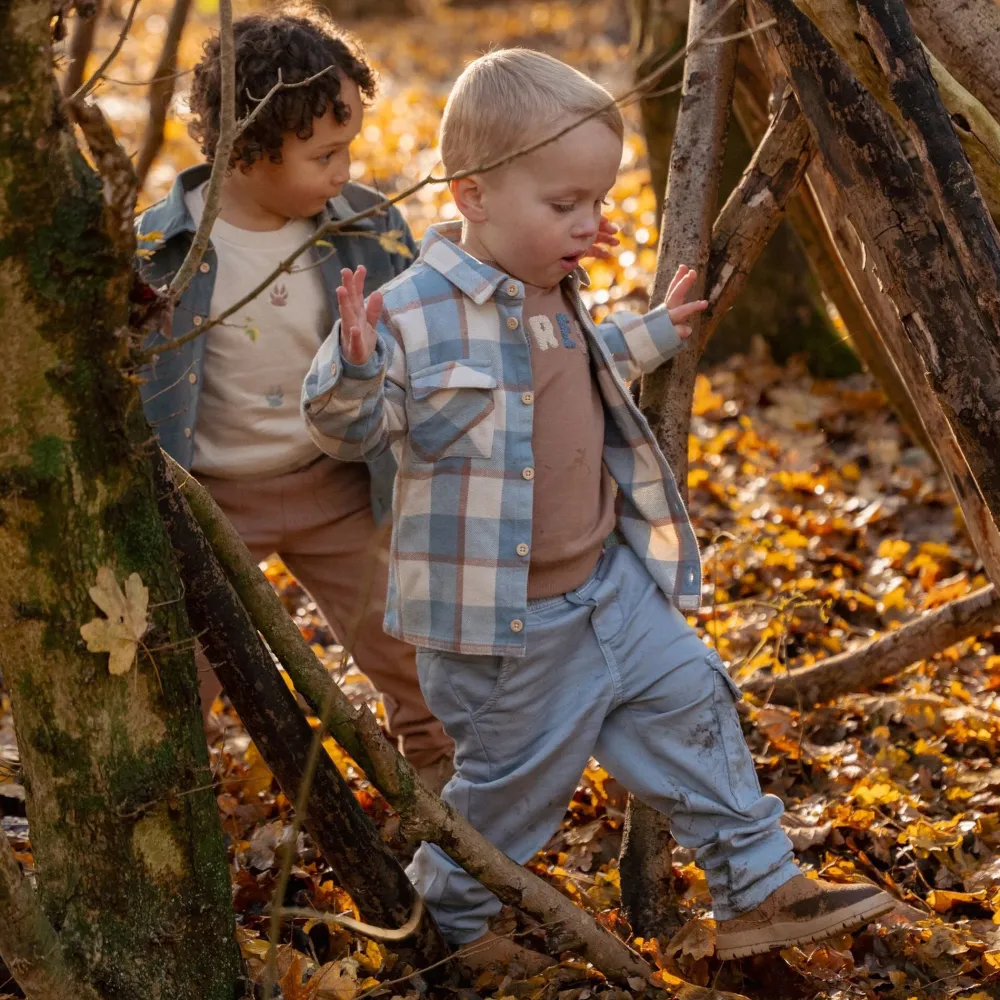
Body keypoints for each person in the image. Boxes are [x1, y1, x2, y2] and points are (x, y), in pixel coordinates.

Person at [302, 48, 895, 967]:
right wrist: (350, 362)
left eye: (597, 202)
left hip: (608, 586)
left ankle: (759, 887)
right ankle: (443, 930)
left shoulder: (554, 290)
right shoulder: (409, 314)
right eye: (565, 205)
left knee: (695, 702)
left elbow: (578, 370)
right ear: (473, 194)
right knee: (512, 794)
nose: (590, 224)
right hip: (506, 630)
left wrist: (657, 330)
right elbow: (351, 430)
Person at [134, 8, 458, 790]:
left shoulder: (369, 231)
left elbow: (429, 334)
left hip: (342, 486)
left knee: (418, 664)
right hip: (208, 502)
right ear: (248, 145)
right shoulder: (154, 252)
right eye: (326, 154)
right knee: (174, 681)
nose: (345, 170)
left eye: (348, 149)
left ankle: (454, 821)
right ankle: (171, 827)